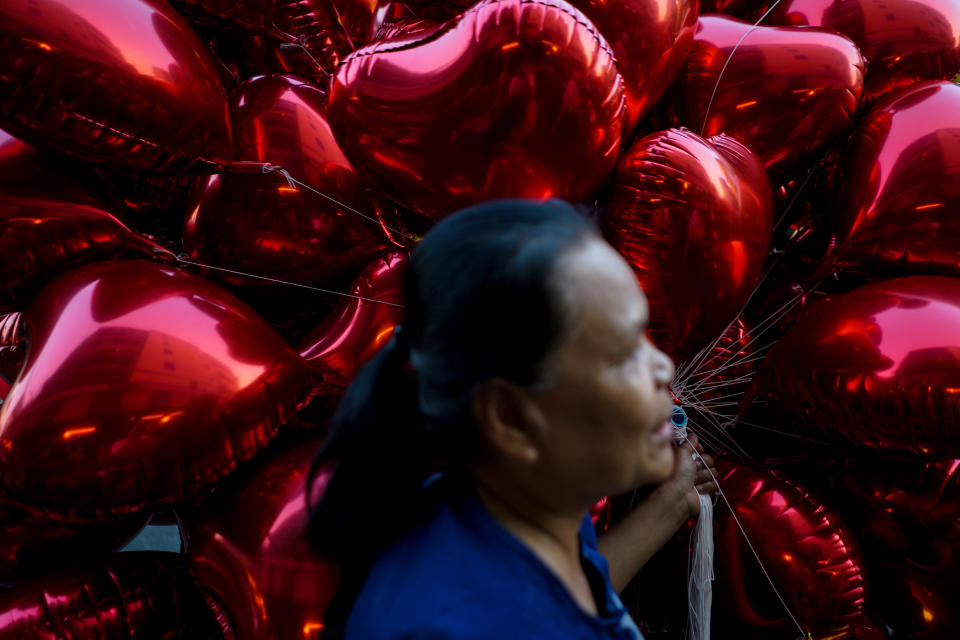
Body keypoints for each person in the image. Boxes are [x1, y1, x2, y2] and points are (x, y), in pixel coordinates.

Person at [308, 199, 718, 639]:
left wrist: (673, 501)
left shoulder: (523, 509)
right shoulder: (443, 624)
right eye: (621, 354)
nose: (663, 369)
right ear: (511, 418)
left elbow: (568, 594)